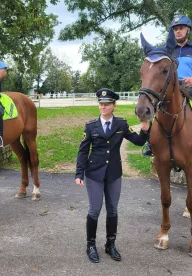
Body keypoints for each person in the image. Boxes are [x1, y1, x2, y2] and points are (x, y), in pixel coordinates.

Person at [75, 88, 150, 263]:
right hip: (94, 173)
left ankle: (110, 244)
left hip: (114, 173)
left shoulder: (121, 125)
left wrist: (145, 130)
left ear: (114, 106)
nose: (103, 107)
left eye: (107, 104)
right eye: (101, 104)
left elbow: (138, 141)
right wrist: (79, 173)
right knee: (94, 210)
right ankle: (91, 245)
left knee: (113, 210)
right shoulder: (91, 126)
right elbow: (83, 152)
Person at [142, 15, 192, 159]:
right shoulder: (166, 51)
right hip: (170, 89)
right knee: (153, 107)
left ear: (188, 30)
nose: (177, 31)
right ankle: (150, 143)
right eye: (175, 29)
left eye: (181, 28)